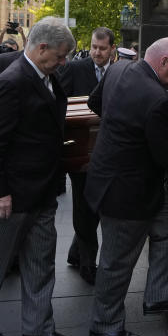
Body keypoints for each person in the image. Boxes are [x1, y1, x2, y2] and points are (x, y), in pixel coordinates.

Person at [0, 18, 76, 336]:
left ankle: (39, 328)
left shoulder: (46, 77)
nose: (63, 62)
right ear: (41, 48)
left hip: (41, 192)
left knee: (41, 263)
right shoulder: (12, 81)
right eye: (59, 55)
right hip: (10, 196)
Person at [85, 37, 168, 336]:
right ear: (163, 62)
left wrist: (118, 127)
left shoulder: (118, 70)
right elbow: (164, 154)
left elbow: (94, 103)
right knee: (117, 260)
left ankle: (161, 295)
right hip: (126, 191)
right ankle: (105, 324)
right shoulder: (159, 100)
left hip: (120, 179)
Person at [57, 27, 116, 285]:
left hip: (106, 149)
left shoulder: (118, 71)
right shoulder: (75, 69)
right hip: (80, 150)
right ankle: (87, 263)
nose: (97, 52)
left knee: (97, 204)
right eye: (94, 47)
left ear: (112, 49)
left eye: (102, 48)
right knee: (84, 206)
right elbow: (60, 102)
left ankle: (76, 252)